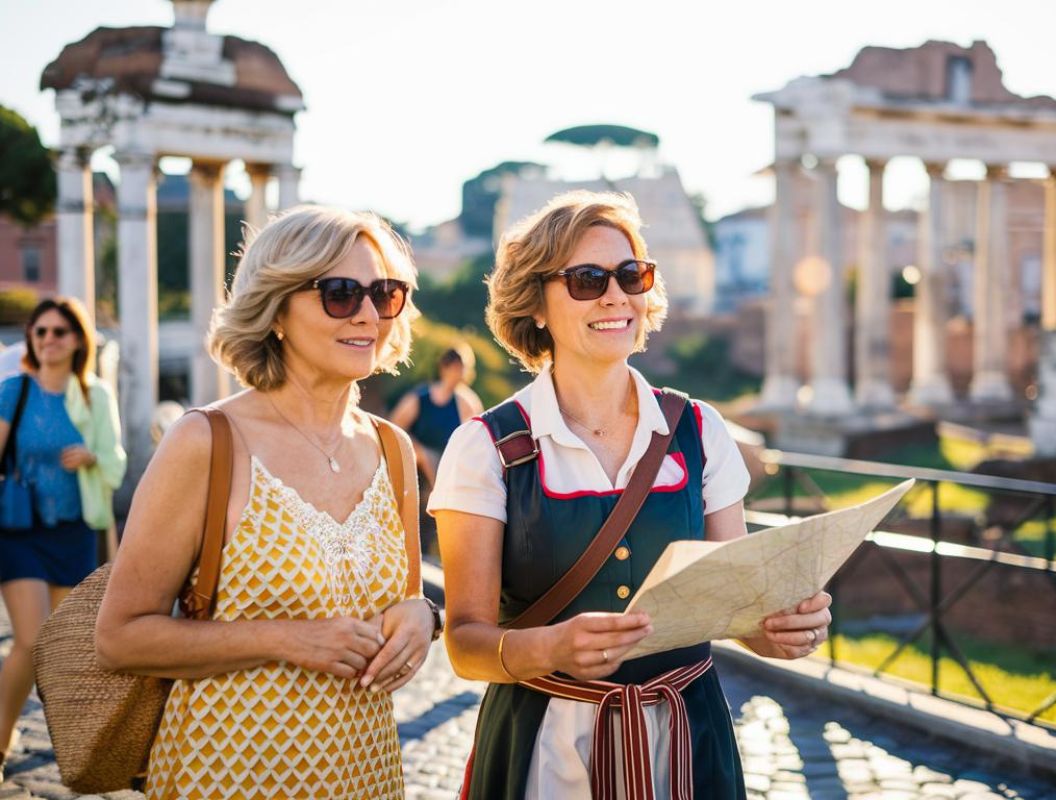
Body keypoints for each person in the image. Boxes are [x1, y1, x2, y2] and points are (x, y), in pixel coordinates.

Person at [430, 191, 834, 799]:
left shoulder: (700, 430)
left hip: (687, 741)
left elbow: (735, 605)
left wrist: (775, 630)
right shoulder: (485, 447)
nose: (616, 295)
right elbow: (466, 644)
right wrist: (550, 647)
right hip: (547, 747)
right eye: (588, 279)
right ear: (535, 303)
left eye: (631, 274)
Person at [95, 206, 440, 799]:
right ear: (276, 310)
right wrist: (287, 638)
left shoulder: (393, 449)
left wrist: (423, 617)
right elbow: (120, 637)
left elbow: (401, 600)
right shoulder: (206, 441)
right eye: (339, 293)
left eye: (385, 294)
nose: (367, 314)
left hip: (365, 773)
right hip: (228, 771)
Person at [0, 297, 125, 780]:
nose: (48, 339)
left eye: (59, 331)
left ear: (78, 340)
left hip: (74, 531)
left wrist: (91, 457)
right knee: (29, 639)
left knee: (67, 646)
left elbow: (116, 462)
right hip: (19, 532)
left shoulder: (95, 395)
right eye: (41, 332)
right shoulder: (14, 391)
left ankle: (82, 744)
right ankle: (2, 742)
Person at [390, 345, 483, 554]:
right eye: (455, 367)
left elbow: (476, 442)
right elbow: (393, 428)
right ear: (444, 367)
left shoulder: (466, 402)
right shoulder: (420, 397)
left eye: (462, 368)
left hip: (447, 468)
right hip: (416, 466)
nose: (458, 373)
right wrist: (418, 451)